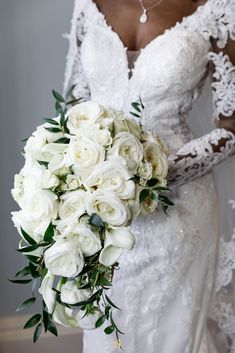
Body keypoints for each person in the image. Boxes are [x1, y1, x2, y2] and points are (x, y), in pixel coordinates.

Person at [62, 0, 235, 352]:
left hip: (179, 207)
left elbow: (231, 126)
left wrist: (156, 172)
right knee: (107, 328)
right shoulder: (87, 4)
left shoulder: (216, 7)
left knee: (172, 332)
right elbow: (73, 104)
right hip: (96, 202)